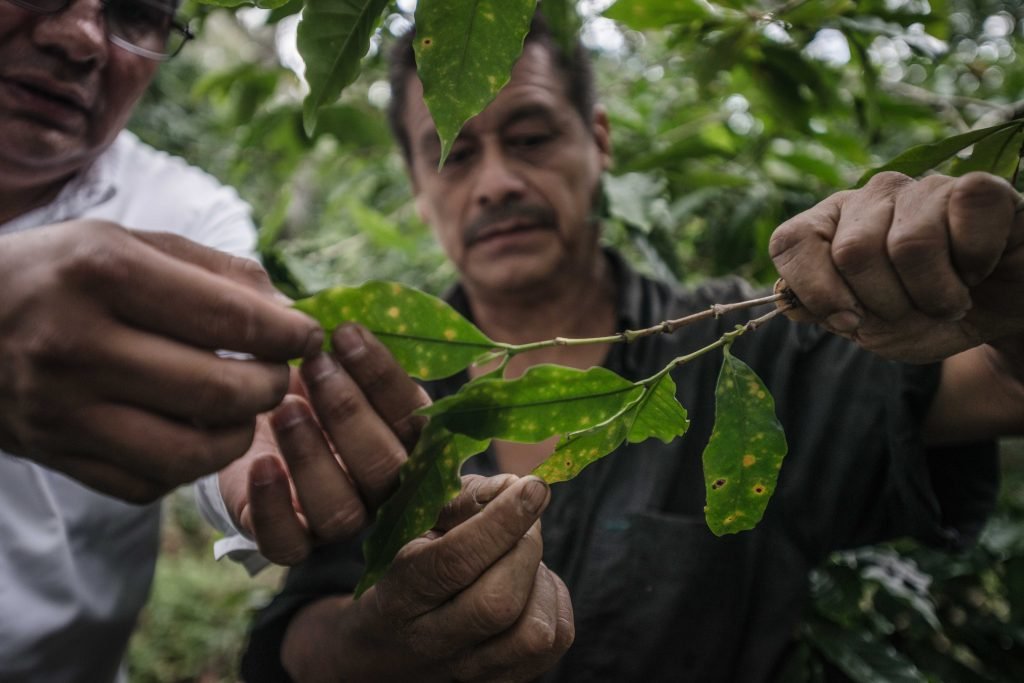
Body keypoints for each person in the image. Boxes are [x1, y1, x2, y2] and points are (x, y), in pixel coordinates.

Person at [234, 15, 1024, 683]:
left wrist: (1001, 296)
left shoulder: (753, 348)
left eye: (533, 135)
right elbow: (308, 615)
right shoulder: (377, 383)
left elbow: (999, 384)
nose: (499, 181)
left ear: (599, 140)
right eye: (456, 151)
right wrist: (373, 648)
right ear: (417, 185)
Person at [0, 1, 336, 680]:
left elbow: (239, 391)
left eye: (138, 12)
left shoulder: (187, 217)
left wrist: (268, 454)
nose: (80, 38)